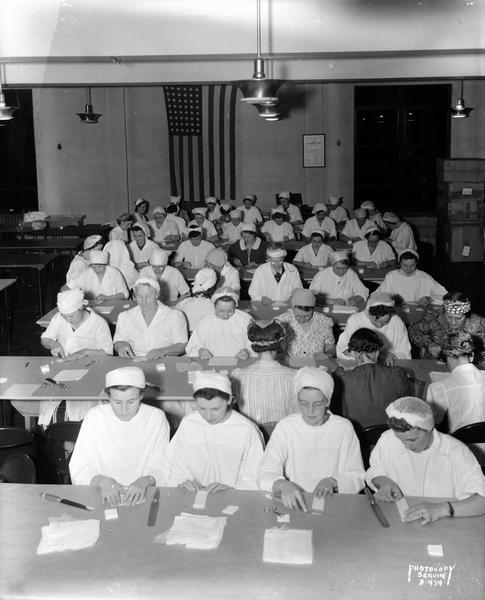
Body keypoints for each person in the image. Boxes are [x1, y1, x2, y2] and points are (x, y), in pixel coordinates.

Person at [258, 366, 365, 510]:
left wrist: (333, 482)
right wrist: (282, 484)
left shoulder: (343, 428)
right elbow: (266, 470)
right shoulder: (286, 427)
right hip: (294, 502)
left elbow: (357, 475)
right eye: (303, 403)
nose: (310, 411)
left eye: (318, 404)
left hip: (333, 504)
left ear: (328, 401)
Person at [365, 396, 485, 524]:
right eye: (400, 439)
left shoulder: (455, 451)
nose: (406, 446)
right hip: (400, 519)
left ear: (429, 428)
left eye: (412, 440)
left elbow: (482, 501)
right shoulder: (388, 439)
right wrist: (385, 484)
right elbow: (376, 470)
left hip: (445, 524)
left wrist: (441, 509)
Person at [69, 366, 169, 505]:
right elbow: (79, 467)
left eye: (131, 401)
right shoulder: (95, 417)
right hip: (100, 493)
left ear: (141, 395)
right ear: (108, 396)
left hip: (144, 495)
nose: (124, 409)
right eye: (117, 402)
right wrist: (101, 481)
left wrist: (146, 480)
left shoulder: (155, 418)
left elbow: (162, 465)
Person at [165, 371, 264, 491]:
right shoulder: (188, 423)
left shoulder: (247, 430)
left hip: (233, 498)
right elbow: (173, 465)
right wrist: (181, 483)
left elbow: (256, 476)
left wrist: (232, 490)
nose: (208, 416)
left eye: (215, 409)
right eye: (202, 408)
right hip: (191, 495)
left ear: (229, 400)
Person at [38, 289, 113, 427]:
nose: (67, 319)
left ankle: (77, 431)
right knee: (51, 403)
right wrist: (53, 344)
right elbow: (45, 338)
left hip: (90, 371)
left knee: (80, 408)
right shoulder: (60, 318)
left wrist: (84, 352)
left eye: (71, 316)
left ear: (82, 307)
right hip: (63, 369)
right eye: (64, 316)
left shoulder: (98, 323)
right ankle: (53, 429)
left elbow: (107, 352)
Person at [332, 328, 410, 428]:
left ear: (354, 353)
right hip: (390, 431)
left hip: (356, 433)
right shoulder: (397, 374)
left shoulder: (342, 377)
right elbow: (405, 403)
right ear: (377, 352)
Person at [426, 332, 485, 462]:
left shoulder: (439, 387)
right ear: (472, 355)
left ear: (448, 357)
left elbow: (431, 423)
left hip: (461, 452)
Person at [231, 321, 297, 425]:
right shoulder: (294, 376)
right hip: (283, 434)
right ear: (281, 344)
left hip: (250, 432)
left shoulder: (237, 376)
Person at [113, 276, 187, 359]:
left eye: (149, 297)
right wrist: (120, 345)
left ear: (157, 294)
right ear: (134, 296)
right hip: (135, 360)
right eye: (140, 297)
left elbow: (182, 345)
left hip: (165, 360)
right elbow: (118, 341)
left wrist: (163, 351)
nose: (144, 301)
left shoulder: (175, 316)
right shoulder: (125, 316)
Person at [336, 291, 412, 363]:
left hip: (388, 365)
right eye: (375, 320)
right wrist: (358, 356)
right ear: (368, 313)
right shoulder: (355, 320)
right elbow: (342, 349)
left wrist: (394, 355)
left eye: (385, 321)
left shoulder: (396, 321)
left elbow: (405, 350)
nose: (379, 325)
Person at [409, 291, 485, 360]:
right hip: (433, 365)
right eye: (449, 317)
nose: (453, 322)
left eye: (458, 318)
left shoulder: (478, 325)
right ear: (444, 312)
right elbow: (413, 330)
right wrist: (429, 343)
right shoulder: (435, 317)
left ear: (467, 316)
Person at [185, 287, 255, 359]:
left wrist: (247, 351)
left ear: (235, 306)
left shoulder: (245, 319)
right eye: (221, 311)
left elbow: (256, 342)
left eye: (230, 311)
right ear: (214, 307)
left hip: (241, 364)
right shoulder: (206, 321)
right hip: (212, 365)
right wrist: (200, 351)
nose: (225, 315)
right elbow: (193, 345)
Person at [276, 288, 336, 359]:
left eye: (307, 316)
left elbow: (331, 347)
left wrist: (327, 354)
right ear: (293, 308)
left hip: (316, 365)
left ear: (313, 309)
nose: (302, 319)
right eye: (298, 316)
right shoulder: (284, 319)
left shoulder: (323, 322)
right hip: (291, 364)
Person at [376, 249, 447, 305]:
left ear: (416, 263)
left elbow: (444, 295)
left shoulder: (425, 277)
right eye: (405, 265)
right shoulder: (391, 276)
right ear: (400, 263)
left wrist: (430, 299)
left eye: (412, 265)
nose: (408, 269)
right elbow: (377, 295)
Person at [64, 250, 129, 304]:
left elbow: (125, 294)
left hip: (114, 304)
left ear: (106, 265)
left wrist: (107, 298)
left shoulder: (114, 273)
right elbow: (68, 287)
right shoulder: (87, 273)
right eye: (94, 267)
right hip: (92, 306)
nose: (97, 269)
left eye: (100, 267)